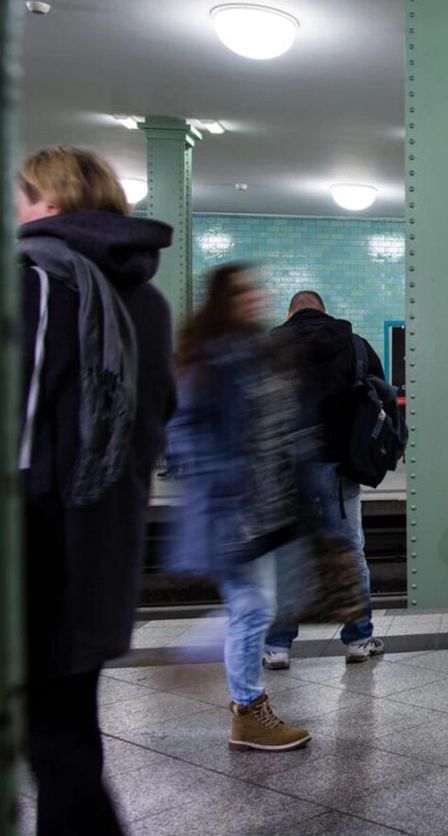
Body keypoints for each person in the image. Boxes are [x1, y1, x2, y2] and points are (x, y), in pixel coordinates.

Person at [16, 146, 176, 836]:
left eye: (22, 195)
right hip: (109, 529)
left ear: (48, 198)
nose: (17, 211)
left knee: (47, 725)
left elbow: (21, 421)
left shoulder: (43, 277)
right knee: (68, 712)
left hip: (44, 536)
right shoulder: (146, 295)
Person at [165, 263, 311, 753]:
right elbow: (182, 431)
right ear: (223, 300)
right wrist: (226, 479)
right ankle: (247, 711)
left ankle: (193, 658)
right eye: (245, 292)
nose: (256, 297)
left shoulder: (256, 351)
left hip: (269, 506)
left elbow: (277, 422)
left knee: (267, 603)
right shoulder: (210, 358)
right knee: (253, 607)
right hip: (233, 508)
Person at [261, 290, 385, 668]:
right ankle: (359, 639)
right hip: (339, 468)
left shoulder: (267, 349)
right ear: (324, 312)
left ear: (290, 313)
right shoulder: (355, 346)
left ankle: (278, 647)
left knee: (285, 555)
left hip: (283, 473)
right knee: (349, 551)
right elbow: (378, 396)